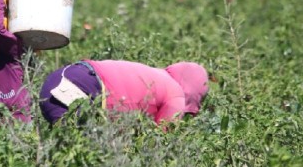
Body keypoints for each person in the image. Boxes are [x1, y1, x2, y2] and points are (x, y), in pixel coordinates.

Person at [39, 60, 209, 126]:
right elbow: (161, 142)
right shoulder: (176, 94)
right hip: (86, 89)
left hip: (58, 79)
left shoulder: (156, 74)